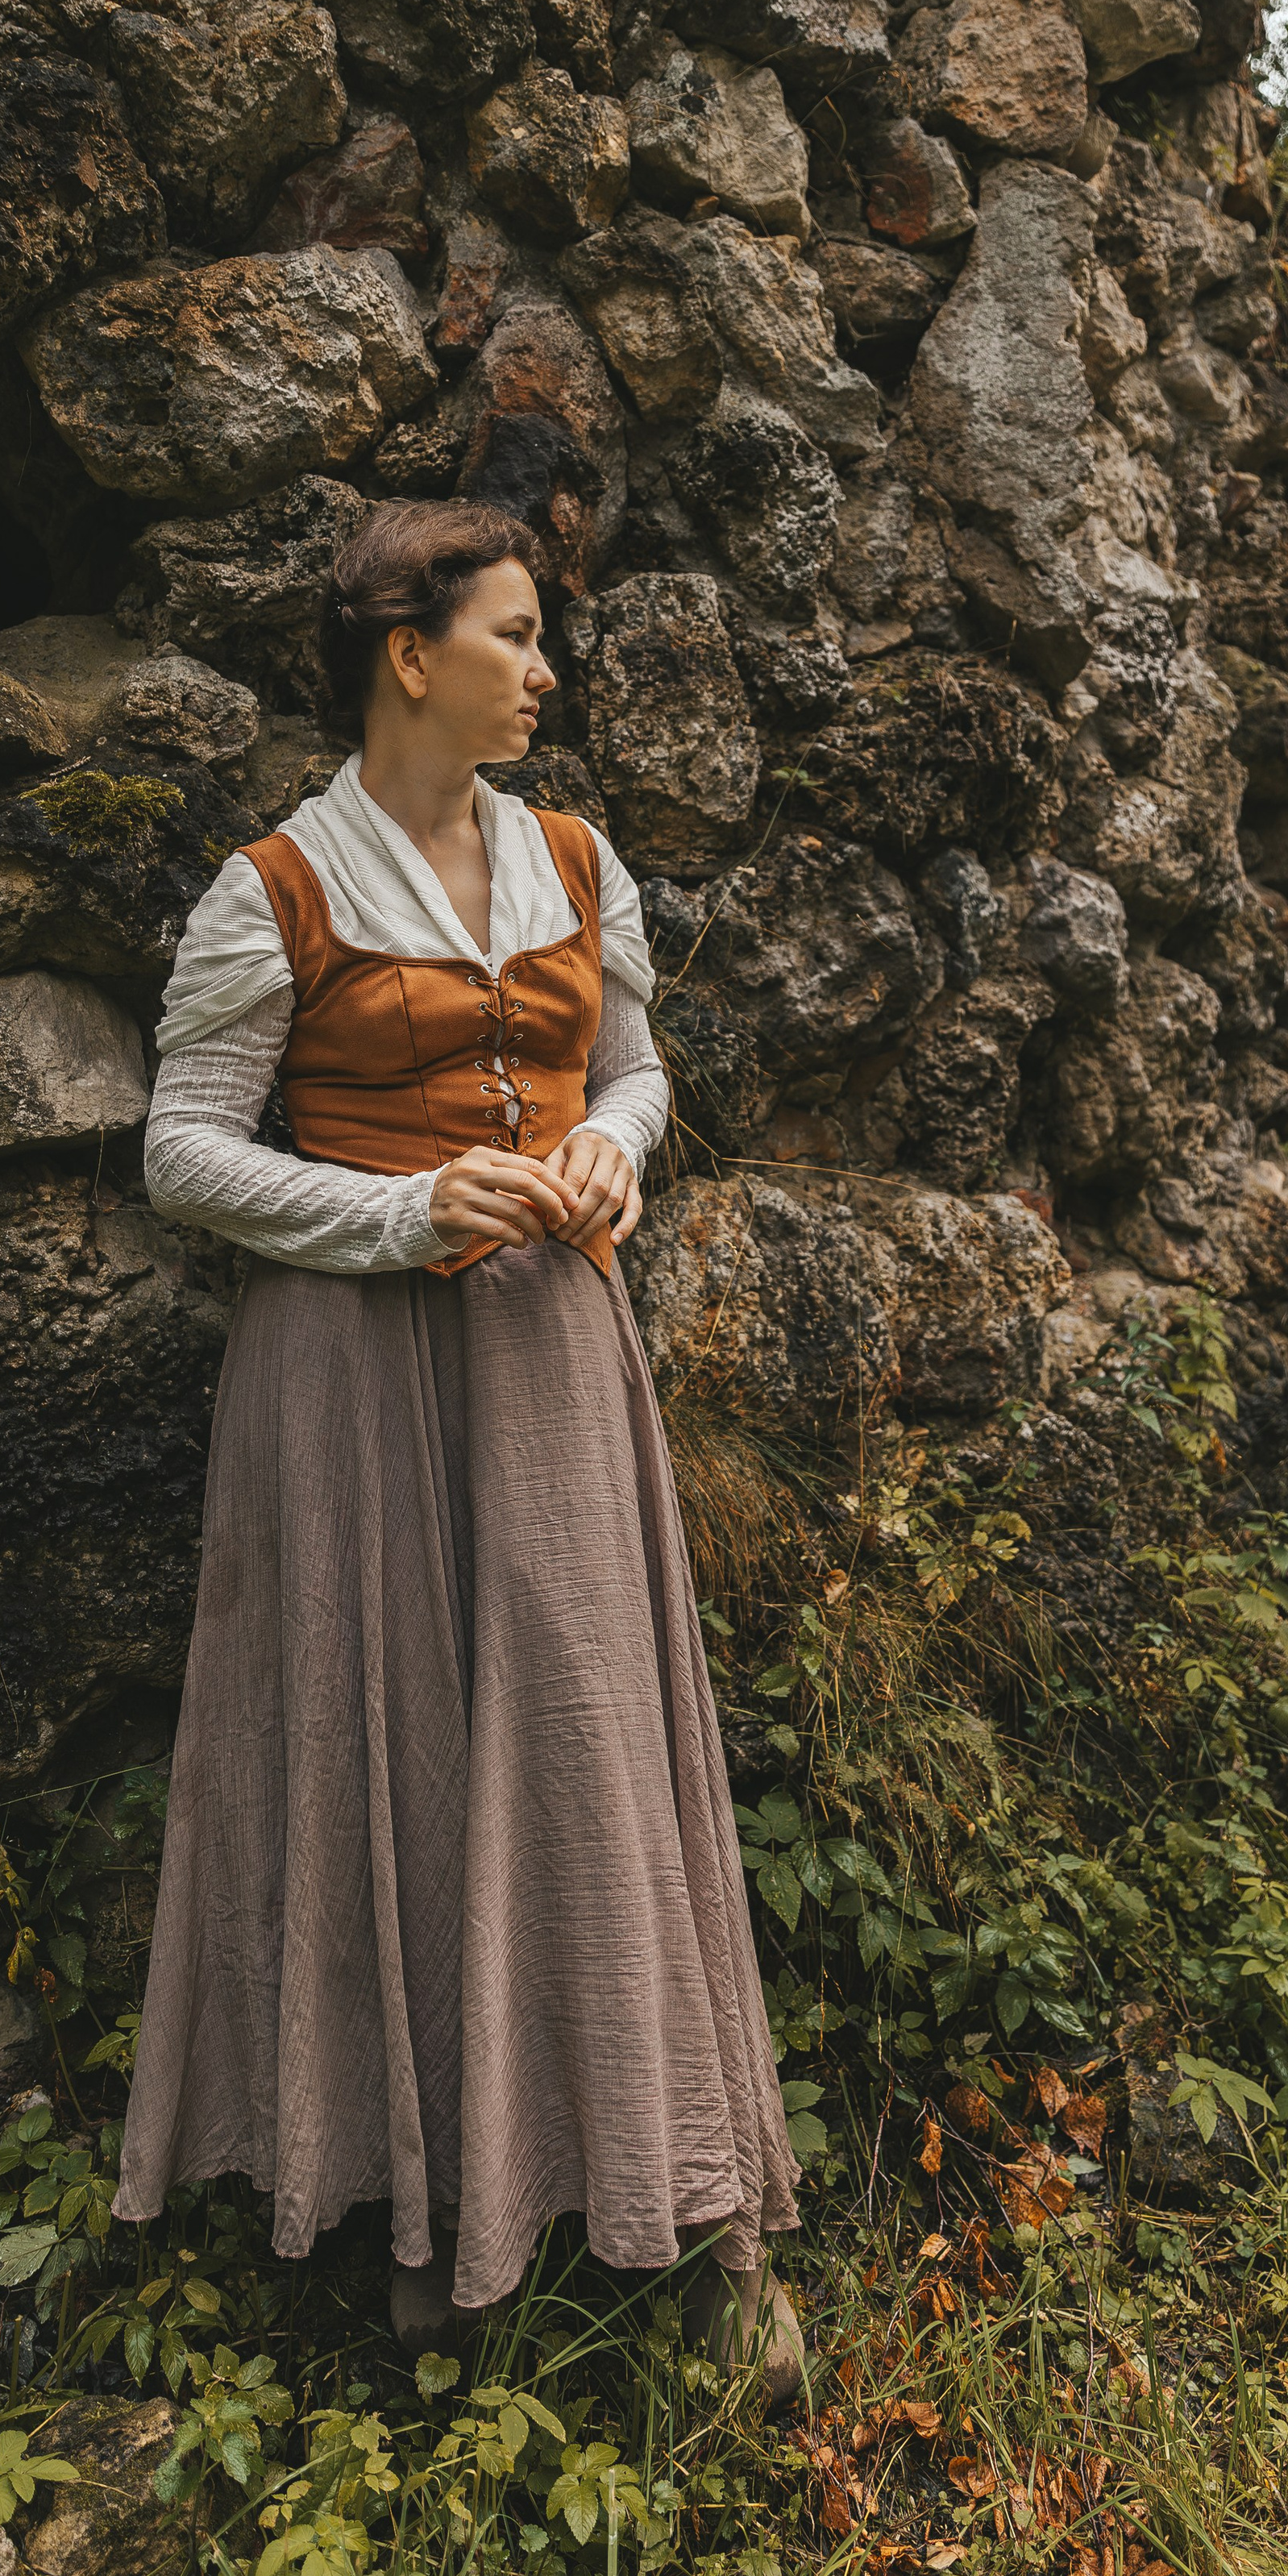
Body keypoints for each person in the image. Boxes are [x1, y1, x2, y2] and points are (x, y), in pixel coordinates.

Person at [111, 497, 804, 2400]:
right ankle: (416, 2215)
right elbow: (182, 1152)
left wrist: (612, 1146)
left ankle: (654, 2195)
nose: (543, 669)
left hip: (550, 1355)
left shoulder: (574, 857)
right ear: (410, 656)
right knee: (384, 1748)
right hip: (345, 1374)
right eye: (512, 636)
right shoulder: (275, 888)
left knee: (585, 1742)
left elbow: (643, 1065)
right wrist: (396, 1214)